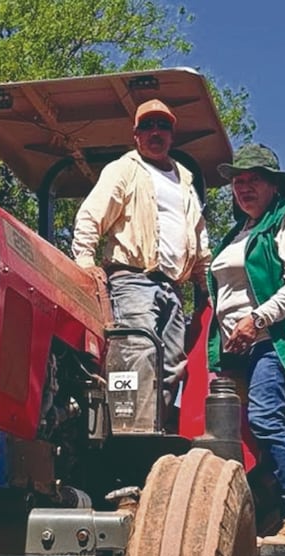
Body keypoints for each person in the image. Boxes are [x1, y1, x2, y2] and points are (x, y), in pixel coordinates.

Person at [207, 143, 285, 549]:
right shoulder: (238, 233)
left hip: (269, 341)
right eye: (237, 181)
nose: (243, 188)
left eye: (253, 180)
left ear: (274, 186)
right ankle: (244, 511)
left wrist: (257, 319)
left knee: (264, 419)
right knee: (227, 434)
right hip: (234, 349)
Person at [72, 99, 211, 429]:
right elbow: (91, 215)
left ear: (171, 135)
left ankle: (153, 429)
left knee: (174, 364)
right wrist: (84, 261)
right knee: (139, 351)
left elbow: (198, 236)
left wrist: (205, 287)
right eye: (147, 126)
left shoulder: (185, 180)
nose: (155, 132)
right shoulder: (125, 169)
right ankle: (128, 431)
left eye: (162, 126)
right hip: (133, 279)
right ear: (135, 135)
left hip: (172, 286)